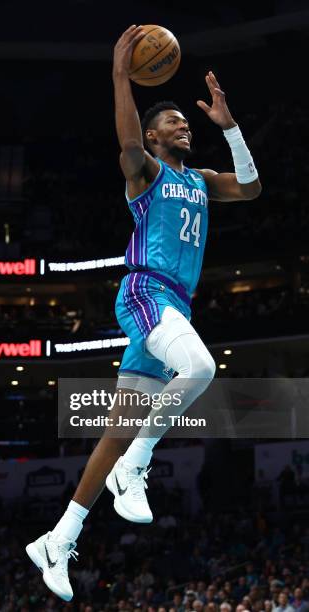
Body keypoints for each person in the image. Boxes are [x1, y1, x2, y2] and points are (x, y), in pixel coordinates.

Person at [25, 24, 262, 601]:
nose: (184, 125)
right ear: (155, 138)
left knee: (115, 431)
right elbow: (127, 144)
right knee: (201, 369)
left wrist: (229, 129)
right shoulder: (147, 174)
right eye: (173, 122)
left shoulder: (201, 181)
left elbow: (252, 189)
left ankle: (58, 538)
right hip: (145, 293)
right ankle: (134, 467)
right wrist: (118, 74)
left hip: (174, 307)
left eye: (186, 121)